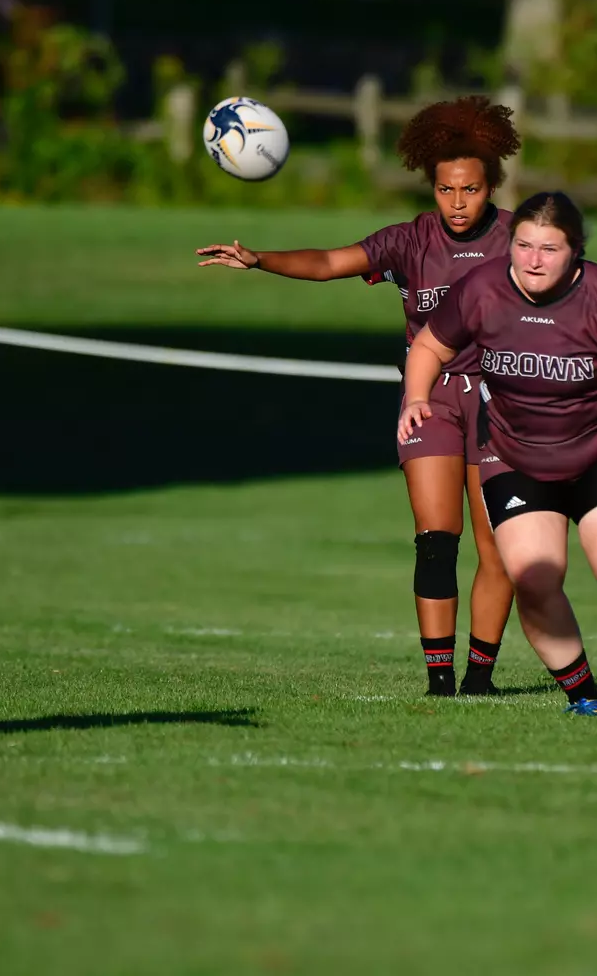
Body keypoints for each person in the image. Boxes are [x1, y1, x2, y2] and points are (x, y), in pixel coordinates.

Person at [198, 97, 520, 696]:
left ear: (491, 185)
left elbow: (574, 299)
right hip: (432, 400)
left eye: (470, 190)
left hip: (502, 405)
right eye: (446, 190)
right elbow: (327, 262)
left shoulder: (519, 241)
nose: (457, 203)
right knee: (435, 540)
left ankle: (481, 678)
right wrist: (259, 259)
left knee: (498, 549)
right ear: (432, 186)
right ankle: (440, 682)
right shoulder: (409, 240)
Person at [397, 191, 597, 717]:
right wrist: (417, 397)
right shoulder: (482, 290)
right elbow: (430, 346)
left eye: (549, 249)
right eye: (523, 245)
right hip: (513, 453)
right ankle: (585, 699)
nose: (533, 260)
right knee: (532, 578)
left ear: (576, 251)